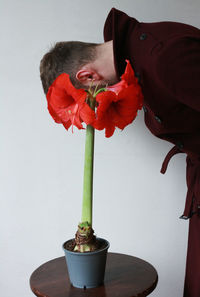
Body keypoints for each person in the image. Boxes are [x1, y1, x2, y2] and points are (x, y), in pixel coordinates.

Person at [40, 8, 200, 297]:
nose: (89, 112)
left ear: (87, 75)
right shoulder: (138, 55)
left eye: (83, 102)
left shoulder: (162, 56)